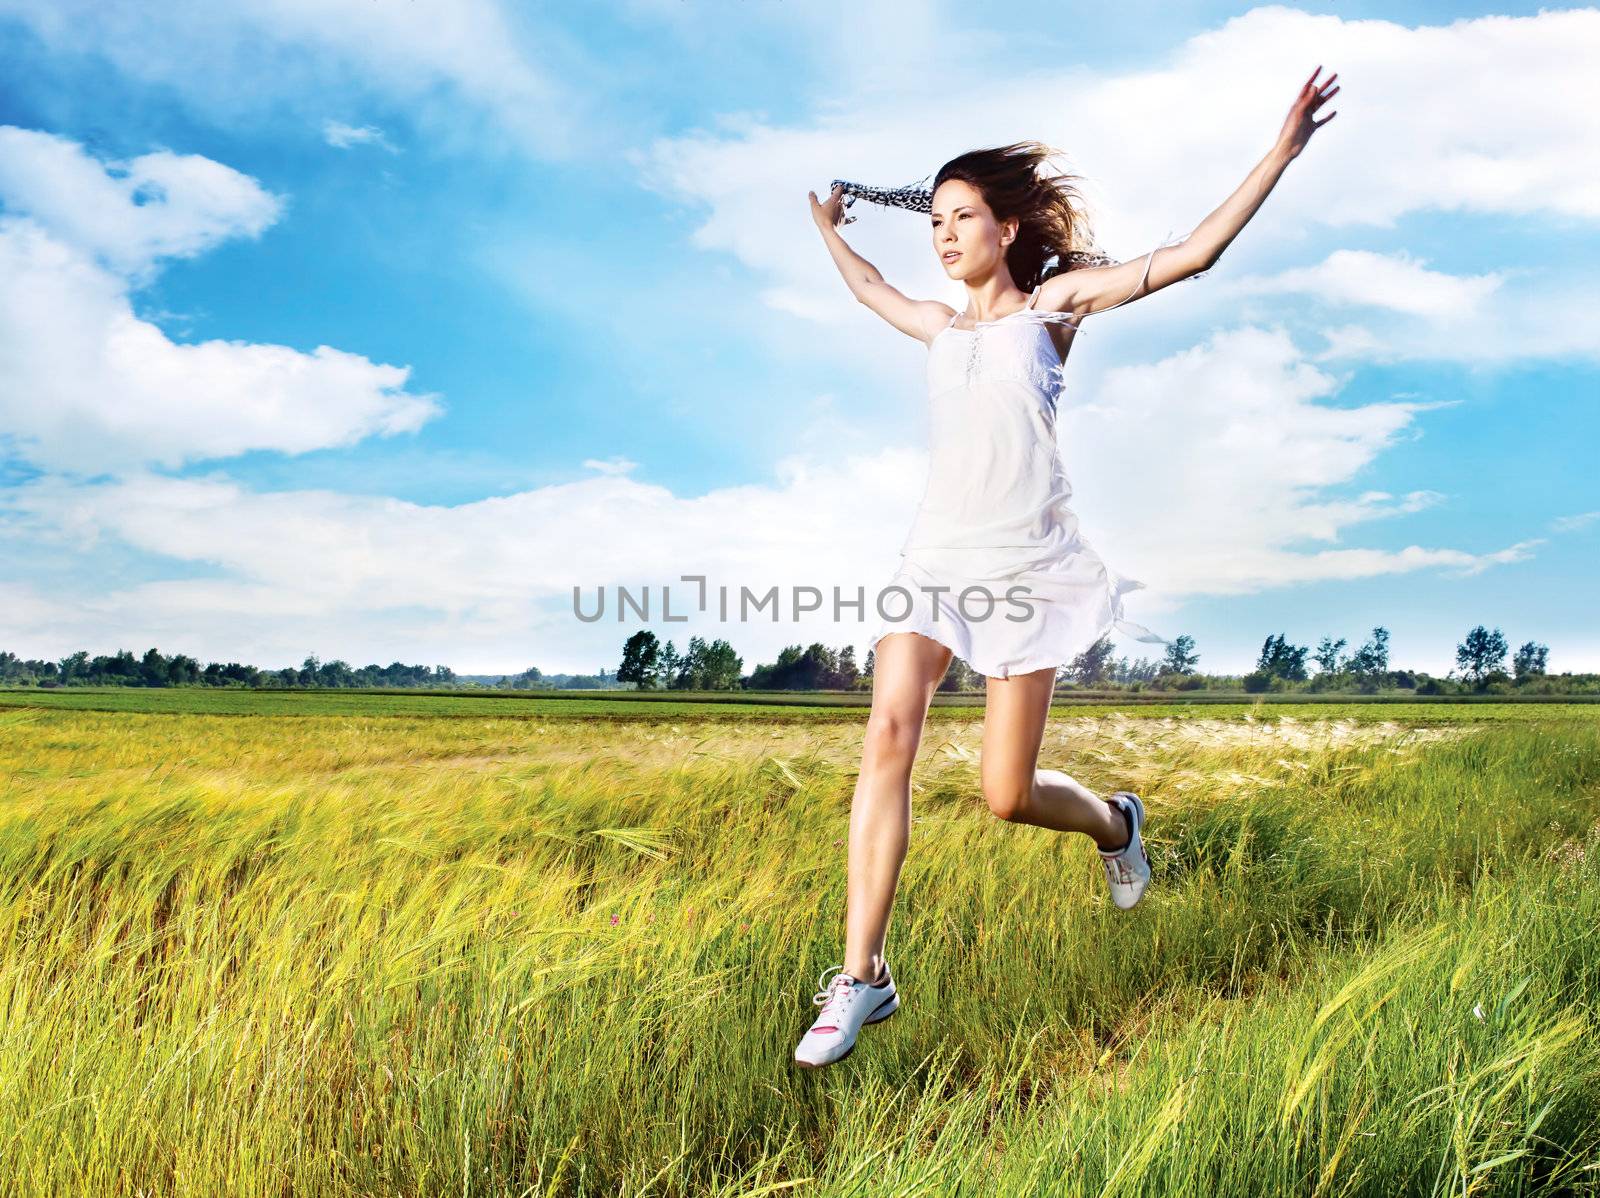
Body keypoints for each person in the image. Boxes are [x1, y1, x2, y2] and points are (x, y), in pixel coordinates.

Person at [792, 67, 1339, 1070]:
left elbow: (1192, 255)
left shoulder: (1051, 309)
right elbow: (870, 288)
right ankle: (861, 974)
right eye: (936, 223)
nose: (945, 236)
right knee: (887, 734)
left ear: (1006, 226)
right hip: (932, 561)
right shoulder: (938, 325)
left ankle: (1115, 822)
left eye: (961, 218)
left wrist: (1281, 152)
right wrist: (832, 228)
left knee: (1006, 793)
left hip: (1025, 568)